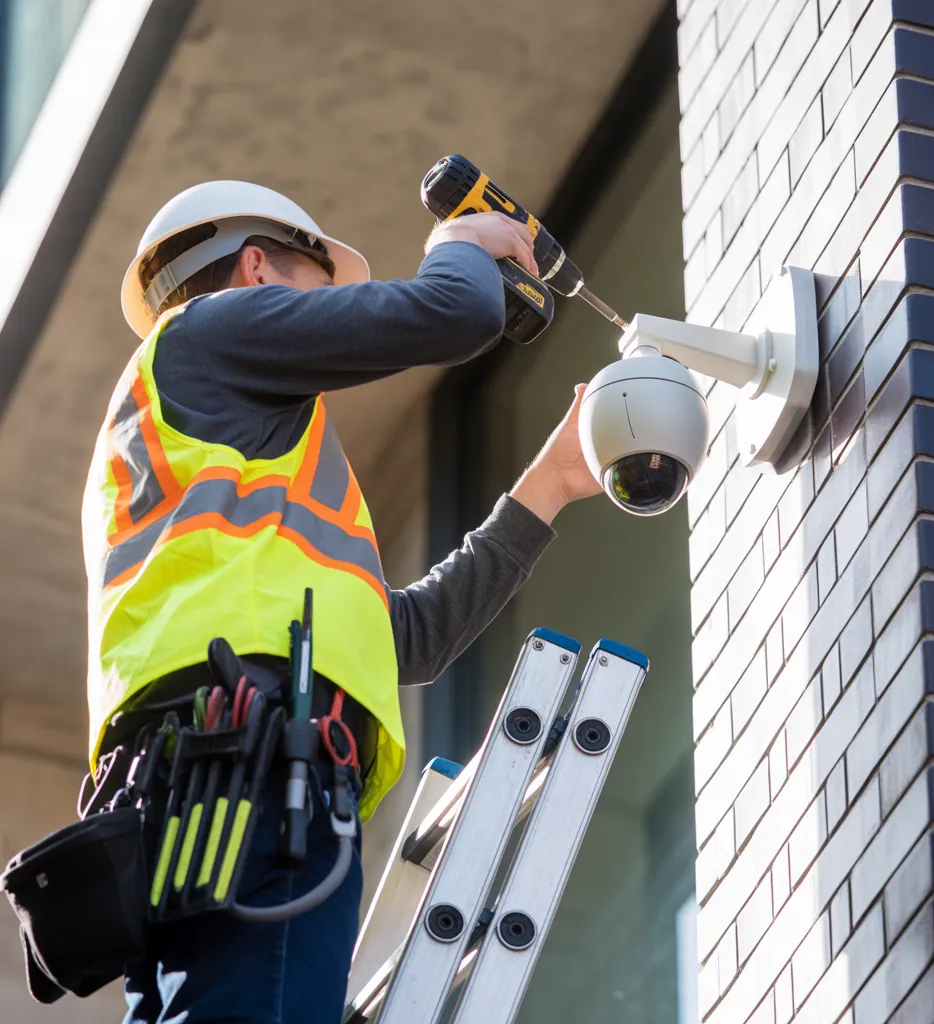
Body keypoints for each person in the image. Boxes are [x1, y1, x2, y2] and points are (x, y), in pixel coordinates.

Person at [81, 179, 601, 1023]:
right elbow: (454, 313)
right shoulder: (207, 330)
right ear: (256, 268)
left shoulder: (239, 482)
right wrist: (462, 248)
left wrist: (550, 486)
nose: (336, 322)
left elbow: (409, 641)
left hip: (214, 774)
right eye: (326, 295)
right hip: (248, 757)